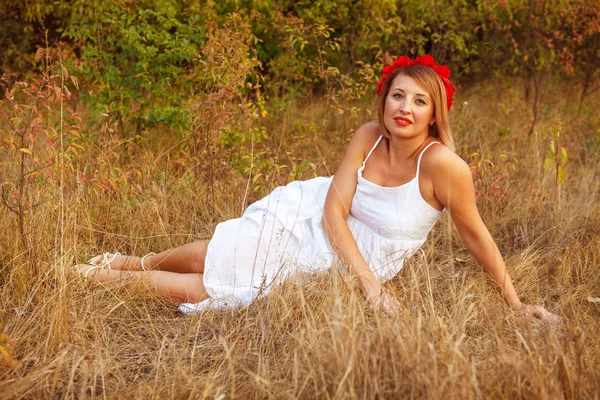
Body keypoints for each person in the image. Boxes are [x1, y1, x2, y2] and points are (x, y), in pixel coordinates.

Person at [76, 54, 561, 324]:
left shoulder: (444, 167)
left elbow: (477, 236)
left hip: (345, 257)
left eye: (419, 101)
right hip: (311, 219)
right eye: (398, 95)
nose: (405, 108)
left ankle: (101, 280)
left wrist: (515, 304)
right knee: (217, 250)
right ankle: (119, 263)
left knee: (212, 289)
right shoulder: (368, 137)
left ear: (435, 113)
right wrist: (372, 289)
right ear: (384, 99)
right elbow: (333, 212)